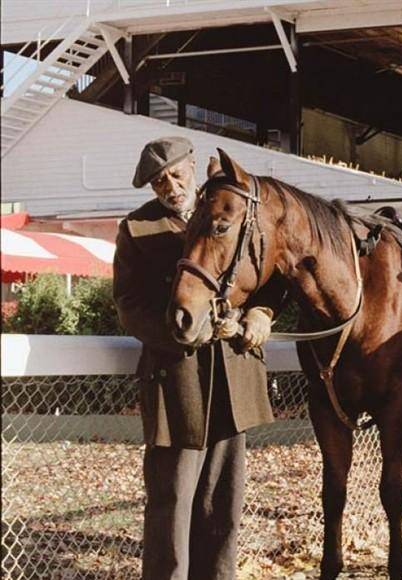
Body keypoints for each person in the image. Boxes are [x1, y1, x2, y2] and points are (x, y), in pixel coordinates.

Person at [114, 136, 281, 579]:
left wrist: (263, 312)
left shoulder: (228, 209)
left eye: (175, 173)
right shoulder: (137, 229)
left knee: (224, 504)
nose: (170, 186)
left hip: (233, 378)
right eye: (158, 181)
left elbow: (269, 270)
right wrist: (189, 332)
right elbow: (129, 304)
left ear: (192, 166)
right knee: (172, 503)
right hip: (177, 381)